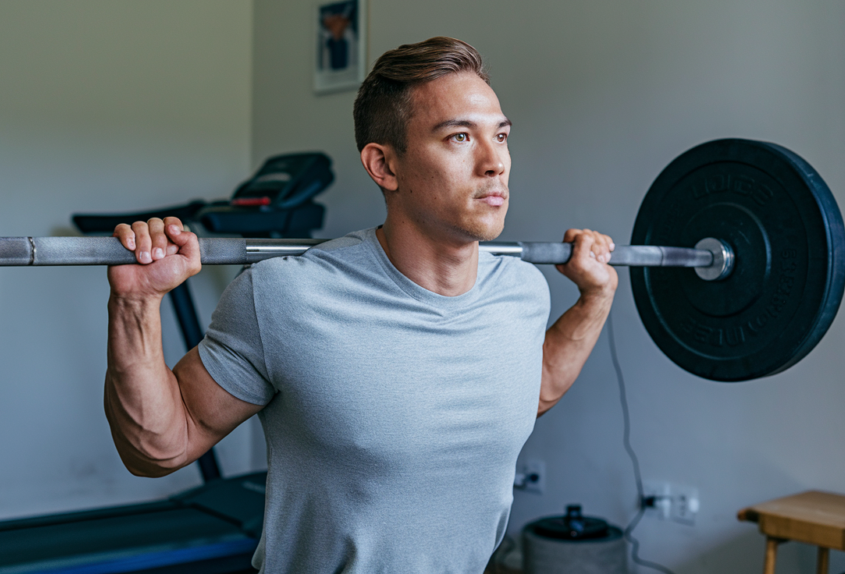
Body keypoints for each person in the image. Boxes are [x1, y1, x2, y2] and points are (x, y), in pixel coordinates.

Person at [105, 37, 616, 573]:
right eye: (460, 137)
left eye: (502, 136)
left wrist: (596, 297)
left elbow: (527, 390)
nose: (495, 163)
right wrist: (136, 306)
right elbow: (159, 447)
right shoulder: (286, 297)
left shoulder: (523, 291)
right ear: (384, 166)